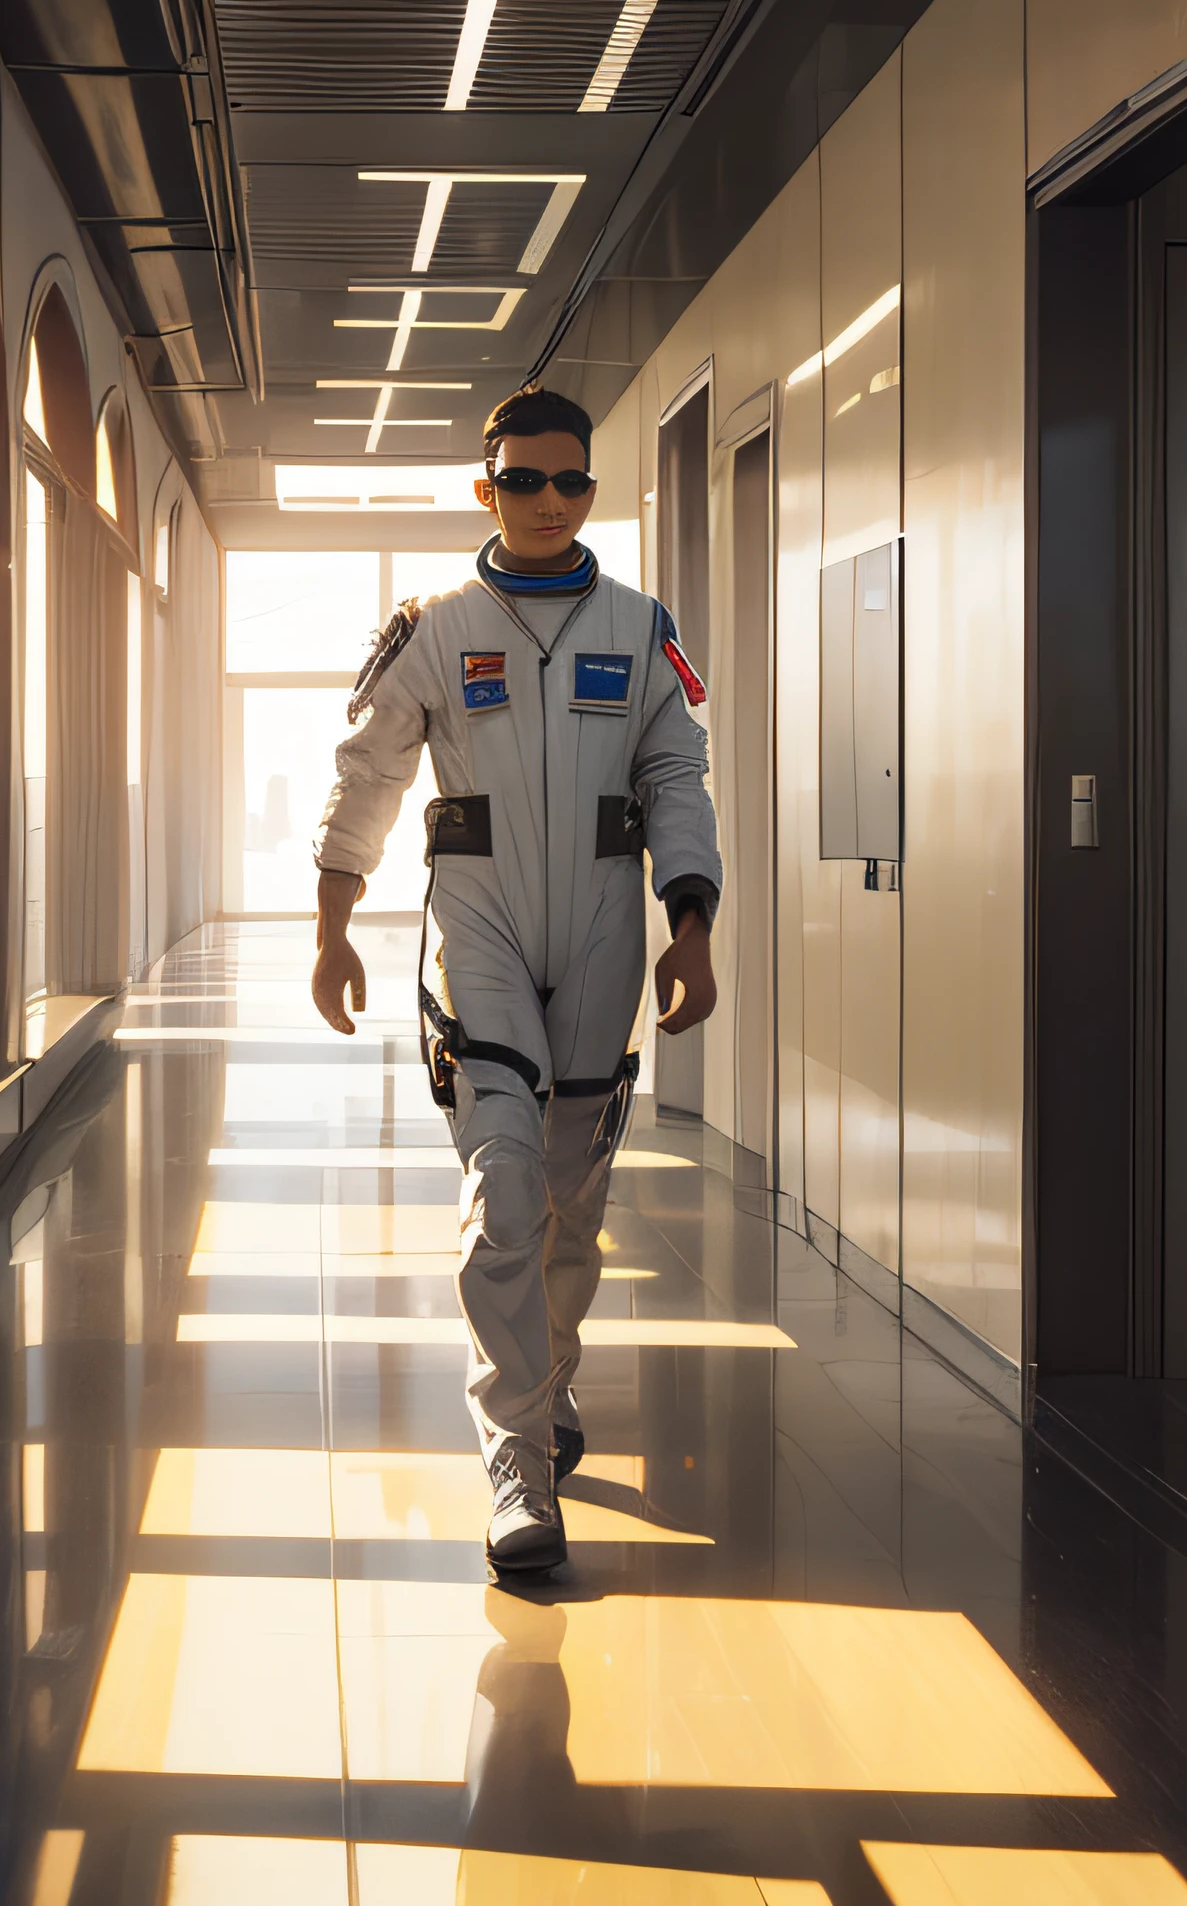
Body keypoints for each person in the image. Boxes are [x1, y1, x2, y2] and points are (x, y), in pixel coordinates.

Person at [309, 385, 722, 1575]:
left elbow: (677, 775)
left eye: (571, 481)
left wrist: (686, 921)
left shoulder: (640, 627)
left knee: (568, 1201)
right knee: (503, 1183)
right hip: (479, 923)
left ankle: (545, 1377)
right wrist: (333, 924)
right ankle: (515, 1461)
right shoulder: (435, 626)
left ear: (590, 489)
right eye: (523, 480)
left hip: (599, 924)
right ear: (484, 489)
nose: (548, 501)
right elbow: (366, 775)